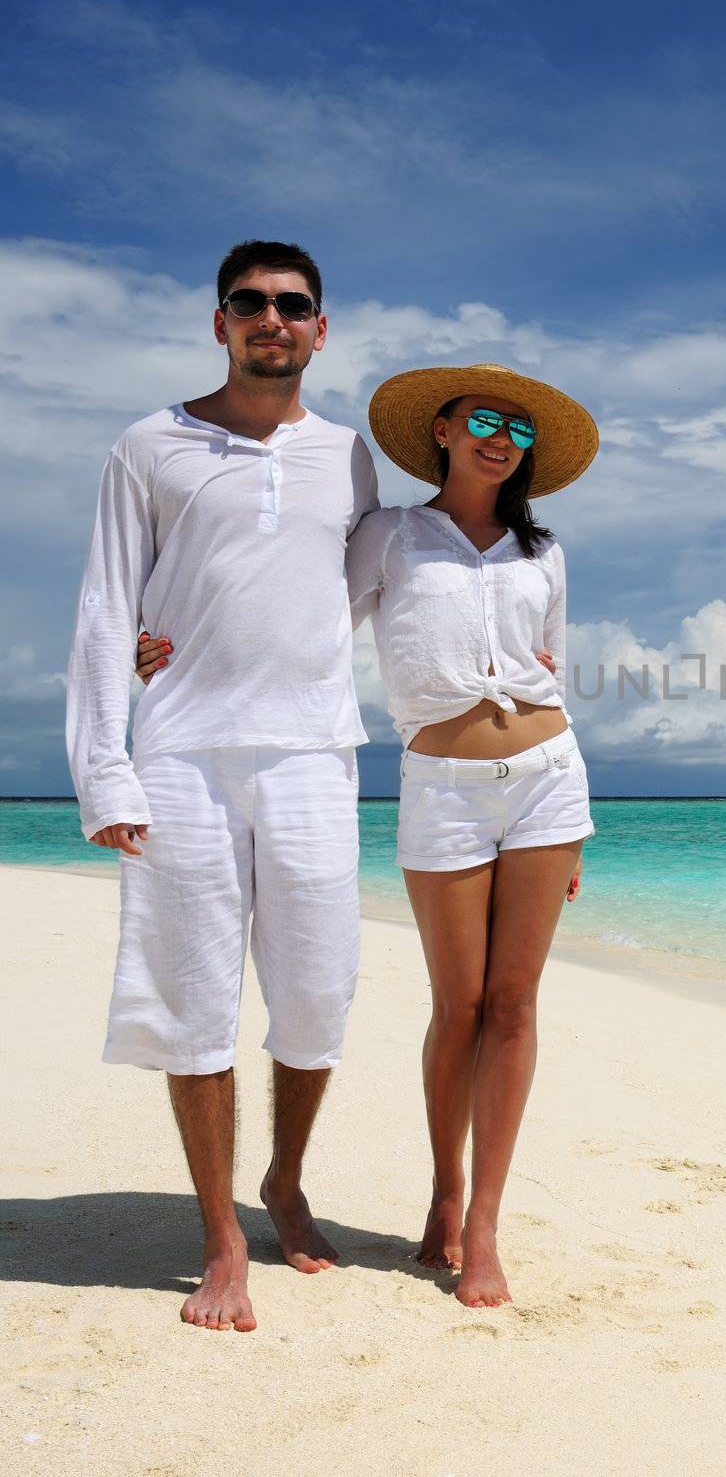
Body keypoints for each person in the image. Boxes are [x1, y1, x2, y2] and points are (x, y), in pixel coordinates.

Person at [136, 362, 600, 1309]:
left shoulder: (541, 551)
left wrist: (578, 833)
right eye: (483, 420)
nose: (499, 438)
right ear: (440, 429)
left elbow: (550, 665)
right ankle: (443, 1188)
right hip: (444, 787)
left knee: (515, 1007)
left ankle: (481, 1229)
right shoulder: (389, 534)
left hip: (552, 782)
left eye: (517, 429)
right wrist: (166, 640)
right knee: (459, 1006)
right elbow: (303, 618)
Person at [66, 240, 378, 1333]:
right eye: (249, 303)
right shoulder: (148, 444)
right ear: (219, 322)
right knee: (193, 1000)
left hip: (312, 755)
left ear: (320, 329)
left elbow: (358, 594)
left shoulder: (349, 457)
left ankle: (284, 1180)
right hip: (182, 756)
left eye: (293, 305)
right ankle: (221, 1239)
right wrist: (105, 764)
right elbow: (108, 608)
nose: (271, 319)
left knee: (315, 992)